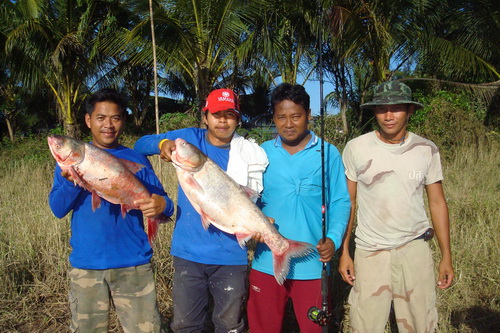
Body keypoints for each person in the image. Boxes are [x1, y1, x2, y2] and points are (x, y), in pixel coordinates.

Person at [134, 88, 269, 333]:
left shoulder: (249, 153)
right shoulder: (188, 139)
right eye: (217, 114)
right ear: (205, 116)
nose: (223, 121)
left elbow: (252, 200)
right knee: (186, 325)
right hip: (188, 254)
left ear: (238, 119)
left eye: (230, 115)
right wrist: (164, 143)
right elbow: (140, 144)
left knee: (229, 325)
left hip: (231, 256)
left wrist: (260, 224)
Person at [49, 88, 174, 333]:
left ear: (123, 120)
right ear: (88, 121)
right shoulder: (68, 163)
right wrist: (70, 180)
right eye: (100, 118)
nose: (108, 125)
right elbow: (58, 208)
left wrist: (163, 205)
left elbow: (164, 205)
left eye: (115, 118)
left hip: (134, 264)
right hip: (87, 265)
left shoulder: (136, 159)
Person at [339, 81, 454, 332]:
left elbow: (437, 202)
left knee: (420, 323)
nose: (388, 116)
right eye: (381, 109)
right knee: (365, 324)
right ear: (374, 111)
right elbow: (349, 201)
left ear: (410, 110)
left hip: (414, 248)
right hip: (370, 251)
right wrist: (346, 250)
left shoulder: (426, 149)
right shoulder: (356, 148)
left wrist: (446, 255)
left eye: (397, 108)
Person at [247, 83, 351, 332]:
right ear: (273, 118)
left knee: (314, 328)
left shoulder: (328, 153)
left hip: (314, 264)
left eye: (296, 116)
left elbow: (340, 201)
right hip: (265, 263)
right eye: (281, 117)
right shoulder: (260, 154)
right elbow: (248, 201)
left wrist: (333, 239)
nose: (289, 124)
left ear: (309, 116)